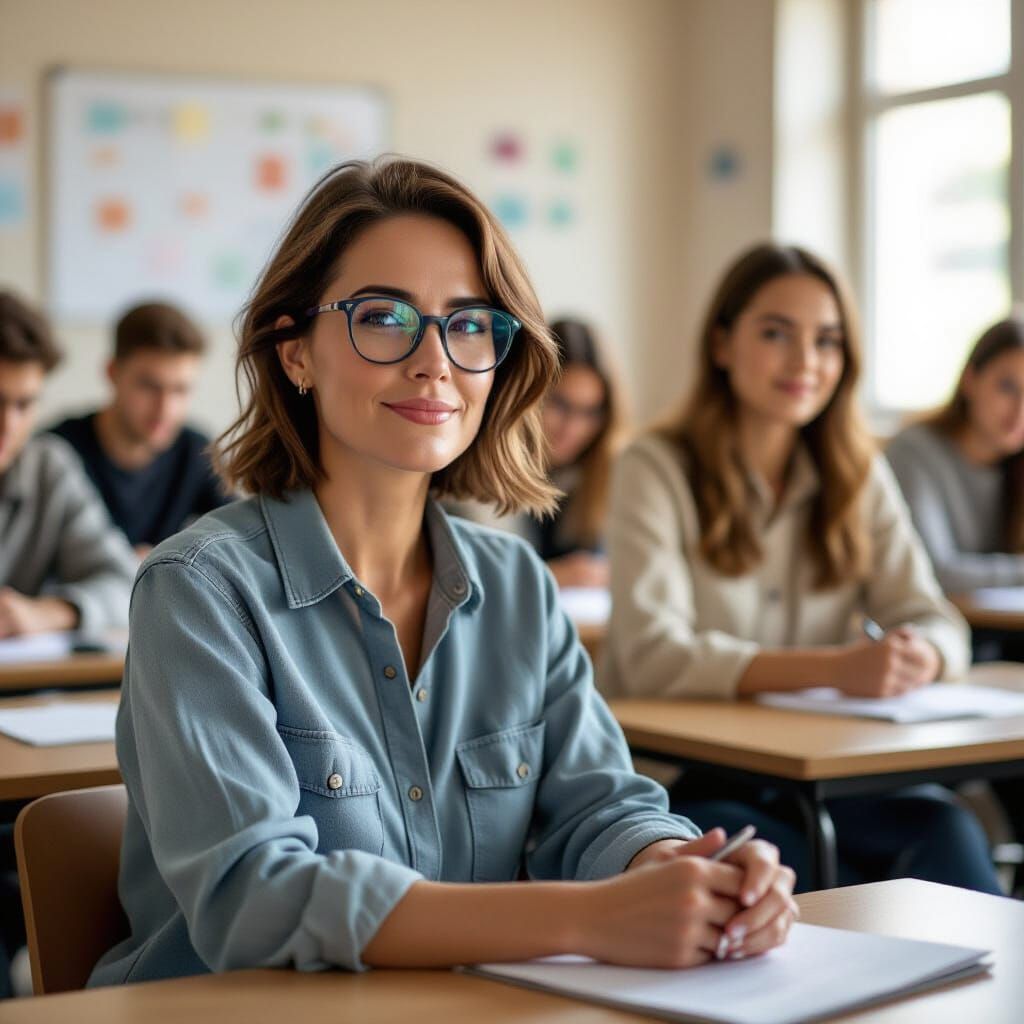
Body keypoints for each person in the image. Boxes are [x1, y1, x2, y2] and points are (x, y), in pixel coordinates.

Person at [88, 160, 796, 987]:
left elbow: (602, 807)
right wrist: (589, 918)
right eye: (383, 318)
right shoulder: (200, 591)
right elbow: (256, 898)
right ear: (294, 352)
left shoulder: (520, 587)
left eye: (468, 325)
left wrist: (682, 871)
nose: (435, 363)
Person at [598, 243, 1002, 895]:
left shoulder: (857, 471)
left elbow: (933, 617)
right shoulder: (656, 465)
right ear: (722, 344)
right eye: (776, 334)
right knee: (794, 865)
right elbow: (651, 655)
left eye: (827, 340)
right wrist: (836, 669)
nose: (806, 362)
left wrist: (919, 654)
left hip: (821, 770)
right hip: (683, 779)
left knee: (948, 829)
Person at [0, 290, 137, 998]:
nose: (9, 425)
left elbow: (120, 577)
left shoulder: (45, 466)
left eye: (23, 403)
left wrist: (43, 614)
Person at [49, 301, 230, 557]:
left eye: (180, 390)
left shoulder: (196, 452)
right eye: (149, 386)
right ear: (112, 373)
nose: (165, 408)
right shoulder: (56, 452)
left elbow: (244, 537)